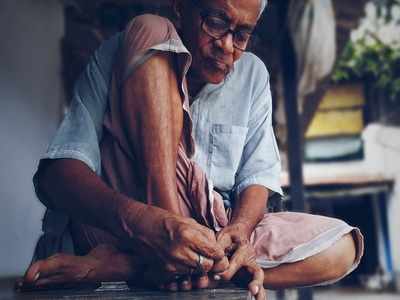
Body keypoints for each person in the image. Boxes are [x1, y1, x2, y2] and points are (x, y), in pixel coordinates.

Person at [22, 1, 363, 299]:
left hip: (208, 238)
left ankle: (139, 267)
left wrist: (239, 232)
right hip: (122, 228)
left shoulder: (252, 74)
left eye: (242, 35)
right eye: (216, 23)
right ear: (181, 7)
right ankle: (167, 253)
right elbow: (56, 178)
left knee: (342, 248)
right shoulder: (119, 51)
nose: (227, 46)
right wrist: (145, 221)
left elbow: (258, 177)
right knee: (148, 29)